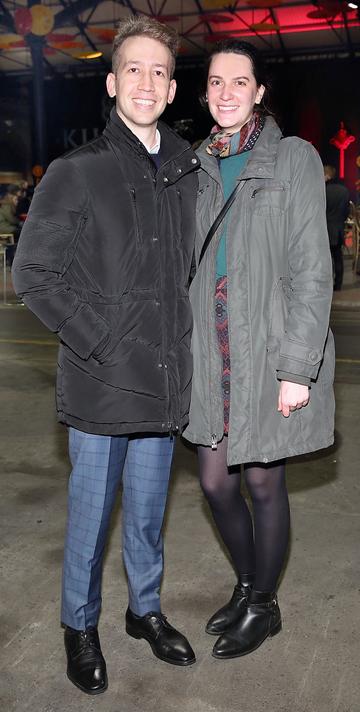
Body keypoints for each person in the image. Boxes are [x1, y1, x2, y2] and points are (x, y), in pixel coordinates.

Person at [12, 16, 199, 695]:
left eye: (159, 71)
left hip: (163, 383)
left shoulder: (185, 168)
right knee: (92, 518)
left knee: (149, 515)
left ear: (173, 89)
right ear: (113, 81)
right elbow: (33, 275)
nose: (146, 82)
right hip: (102, 381)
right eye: (134, 69)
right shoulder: (78, 170)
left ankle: (143, 612)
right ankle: (79, 625)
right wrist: (100, 339)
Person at [183, 39, 335, 660]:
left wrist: (297, 368)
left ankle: (263, 607)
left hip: (268, 350)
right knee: (216, 481)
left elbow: (311, 269)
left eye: (238, 82)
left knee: (265, 482)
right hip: (211, 352)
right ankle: (250, 585)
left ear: (259, 91)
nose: (225, 93)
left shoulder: (292, 158)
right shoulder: (194, 163)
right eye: (215, 82)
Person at [324, 164, 350, 291]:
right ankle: (338, 284)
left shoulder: (323, 190)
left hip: (325, 229)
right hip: (338, 228)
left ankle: (327, 284)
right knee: (338, 257)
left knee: (326, 260)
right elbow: (346, 212)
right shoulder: (344, 191)